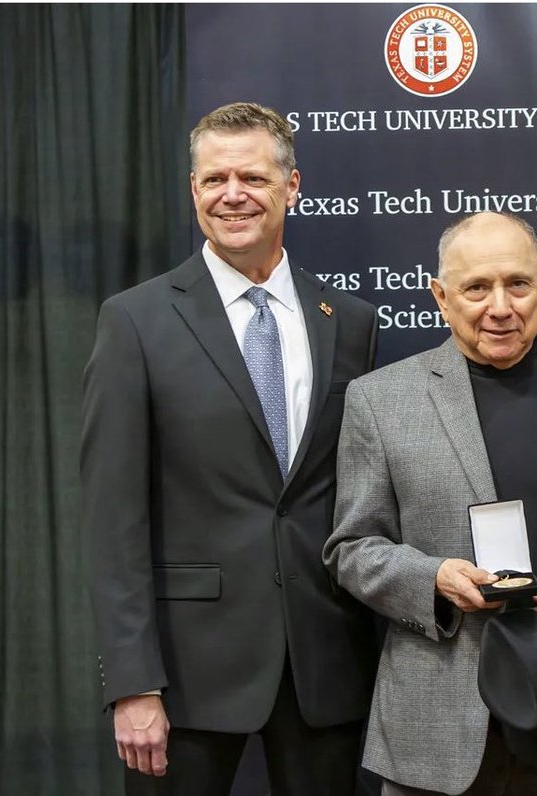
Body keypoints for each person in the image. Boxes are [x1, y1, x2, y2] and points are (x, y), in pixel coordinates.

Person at [323, 212, 537, 796]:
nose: (500, 306)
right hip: (436, 733)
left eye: (518, 284)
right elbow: (352, 547)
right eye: (475, 288)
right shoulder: (380, 401)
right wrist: (432, 577)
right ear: (440, 296)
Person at [83, 102, 379, 795]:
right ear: (193, 191)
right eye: (214, 179)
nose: (232, 194)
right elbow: (112, 517)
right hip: (185, 676)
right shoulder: (135, 321)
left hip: (322, 663)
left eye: (251, 176)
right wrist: (132, 683)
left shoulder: (351, 322)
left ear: (293, 187)